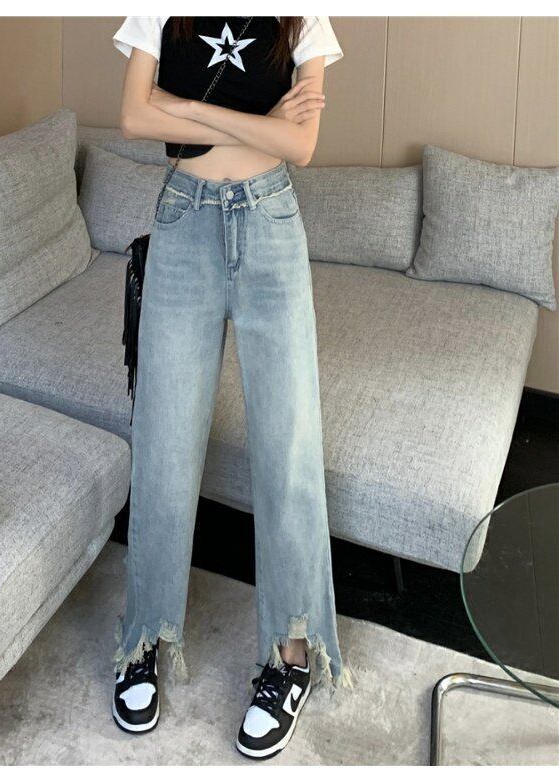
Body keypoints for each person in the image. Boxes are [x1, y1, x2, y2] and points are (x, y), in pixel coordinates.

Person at [110, 16, 351, 759]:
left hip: (271, 224)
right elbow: (132, 116)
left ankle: (291, 653)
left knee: (287, 450)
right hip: (182, 221)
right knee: (164, 444)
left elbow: (301, 147)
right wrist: (258, 120)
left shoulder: (301, 14)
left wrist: (183, 108)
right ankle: (146, 637)